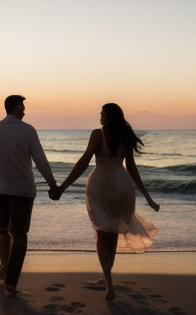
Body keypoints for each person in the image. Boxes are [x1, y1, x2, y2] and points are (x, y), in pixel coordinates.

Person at [53, 103, 159, 301]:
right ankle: (107, 279)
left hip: (99, 186)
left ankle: (109, 284)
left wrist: (62, 187)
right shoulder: (125, 136)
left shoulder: (97, 134)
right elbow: (133, 169)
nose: (100, 117)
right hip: (123, 186)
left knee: (103, 234)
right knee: (111, 236)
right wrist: (147, 197)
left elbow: (84, 162)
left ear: (108, 117)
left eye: (102, 114)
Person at [0, 95, 58, 297]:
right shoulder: (28, 130)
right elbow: (40, 159)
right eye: (22, 106)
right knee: (20, 235)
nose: (24, 110)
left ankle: (4, 267)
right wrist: (51, 182)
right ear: (14, 107)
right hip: (23, 190)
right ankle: (10, 283)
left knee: (2, 230)